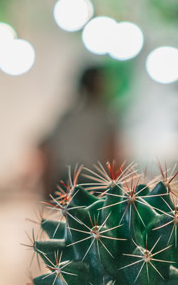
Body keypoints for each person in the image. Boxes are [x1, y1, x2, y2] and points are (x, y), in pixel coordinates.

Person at [38, 66, 121, 196]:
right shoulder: (105, 118)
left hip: (64, 184)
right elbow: (111, 154)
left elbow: (44, 145)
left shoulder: (67, 117)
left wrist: (46, 186)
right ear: (98, 85)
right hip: (95, 185)